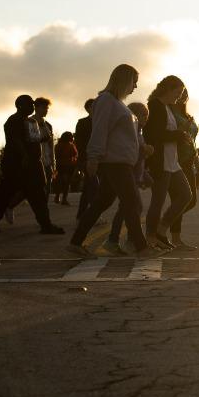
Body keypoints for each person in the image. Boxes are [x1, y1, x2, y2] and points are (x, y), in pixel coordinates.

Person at [68, 65, 156, 257]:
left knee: (102, 202)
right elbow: (99, 130)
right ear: (124, 80)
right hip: (115, 162)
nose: (135, 87)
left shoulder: (118, 103)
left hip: (121, 162)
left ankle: (75, 242)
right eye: (134, 82)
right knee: (131, 202)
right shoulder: (106, 100)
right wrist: (93, 157)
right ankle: (141, 247)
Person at [0, 95, 64, 234]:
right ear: (20, 106)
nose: (32, 107)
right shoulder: (14, 121)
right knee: (5, 195)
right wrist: (24, 156)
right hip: (17, 165)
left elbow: (33, 139)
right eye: (29, 104)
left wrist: (43, 138)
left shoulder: (30, 122)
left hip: (33, 164)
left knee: (39, 196)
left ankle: (46, 225)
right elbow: (15, 140)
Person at [143, 76, 195, 250]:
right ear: (167, 89)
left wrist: (181, 136)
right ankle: (150, 239)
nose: (179, 96)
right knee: (157, 201)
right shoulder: (154, 106)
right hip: (160, 161)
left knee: (186, 196)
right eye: (177, 92)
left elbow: (168, 132)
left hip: (173, 161)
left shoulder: (168, 107)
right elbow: (153, 135)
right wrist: (179, 135)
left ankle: (161, 231)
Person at [103, 102, 153, 254]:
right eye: (143, 115)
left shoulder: (139, 133)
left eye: (147, 115)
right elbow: (131, 154)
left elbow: (139, 160)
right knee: (133, 207)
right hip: (127, 175)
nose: (146, 118)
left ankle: (117, 240)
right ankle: (128, 241)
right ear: (135, 115)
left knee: (127, 208)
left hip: (134, 176)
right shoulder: (132, 132)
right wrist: (144, 149)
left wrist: (144, 175)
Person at [167, 88, 199, 250]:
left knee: (191, 200)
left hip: (191, 161)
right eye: (179, 94)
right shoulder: (170, 113)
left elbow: (192, 140)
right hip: (177, 160)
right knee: (183, 199)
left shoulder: (186, 115)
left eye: (185, 94)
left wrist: (198, 162)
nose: (182, 98)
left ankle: (165, 227)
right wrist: (185, 128)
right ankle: (172, 236)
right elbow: (172, 135)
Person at [74, 98, 97, 222]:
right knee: (93, 187)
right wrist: (85, 160)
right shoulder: (82, 123)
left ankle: (81, 214)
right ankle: (91, 215)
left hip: (100, 159)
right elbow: (79, 143)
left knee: (89, 187)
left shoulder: (101, 122)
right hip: (87, 159)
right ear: (88, 109)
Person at [53, 131, 77, 205]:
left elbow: (56, 155)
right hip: (68, 166)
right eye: (71, 137)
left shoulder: (57, 145)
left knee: (59, 181)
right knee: (66, 183)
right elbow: (75, 154)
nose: (72, 138)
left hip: (59, 165)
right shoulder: (70, 145)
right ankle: (64, 199)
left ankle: (57, 196)